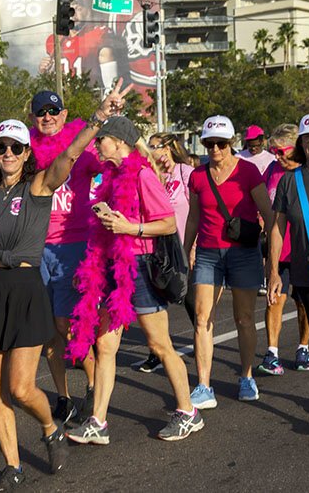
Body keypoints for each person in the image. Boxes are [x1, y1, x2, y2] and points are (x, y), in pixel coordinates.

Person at [0, 80, 132, 491]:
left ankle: (49, 426)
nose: (8, 154)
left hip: (26, 289)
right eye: (1, 148)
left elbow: (70, 152)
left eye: (15, 147)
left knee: (21, 387)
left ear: (26, 152)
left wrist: (100, 118)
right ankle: (12, 467)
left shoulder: (40, 185)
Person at [65, 116, 203, 446]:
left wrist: (131, 228)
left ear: (119, 142)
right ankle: (98, 422)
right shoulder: (110, 177)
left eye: (101, 140)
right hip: (116, 267)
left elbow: (168, 224)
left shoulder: (142, 175)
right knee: (105, 345)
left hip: (140, 267)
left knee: (159, 345)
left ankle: (188, 412)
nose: (97, 145)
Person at [184, 115, 273, 408]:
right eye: (209, 144)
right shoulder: (198, 176)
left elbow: (268, 214)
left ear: (232, 143)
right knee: (201, 318)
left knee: (244, 318)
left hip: (243, 253)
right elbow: (194, 217)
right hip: (209, 253)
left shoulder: (247, 172)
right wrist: (187, 250)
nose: (215, 150)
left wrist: (272, 259)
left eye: (221, 144)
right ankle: (203, 384)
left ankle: (246, 376)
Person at [27, 90, 100, 425]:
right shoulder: (24, 154)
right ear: (32, 117)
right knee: (48, 331)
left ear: (64, 113)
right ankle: (63, 396)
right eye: (41, 112)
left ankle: (95, 385)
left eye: (53, 111)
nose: (48, 117)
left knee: (68, 323)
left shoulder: (82, 152)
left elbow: (115, 169)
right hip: (38, 247)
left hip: (73, 245)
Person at [269, 112, 309, 424]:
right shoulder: (289, 182)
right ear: (300, 143)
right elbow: (277, 231)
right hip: (307, 272)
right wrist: (272, 273)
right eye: (308, 137)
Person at [137, 133, 196, 373]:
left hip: (185, 247)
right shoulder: (152, 175)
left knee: (193, 304)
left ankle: (203, 345)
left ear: (169, 147)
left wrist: (193, 246)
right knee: (157, 303)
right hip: (161, 252)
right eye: (148, 147)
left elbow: (196, 212)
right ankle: (156, 351)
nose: (151, 151)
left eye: (155, 147)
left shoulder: (186, 173)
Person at [258, 124, 309, 375]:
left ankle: (303, 347)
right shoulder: (271, 169)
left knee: (304, 304)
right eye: (273, 150)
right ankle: (272, 353)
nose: (277, 156)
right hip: (278, 249)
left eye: (282, 151)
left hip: (305, 250)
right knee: (274, 300)